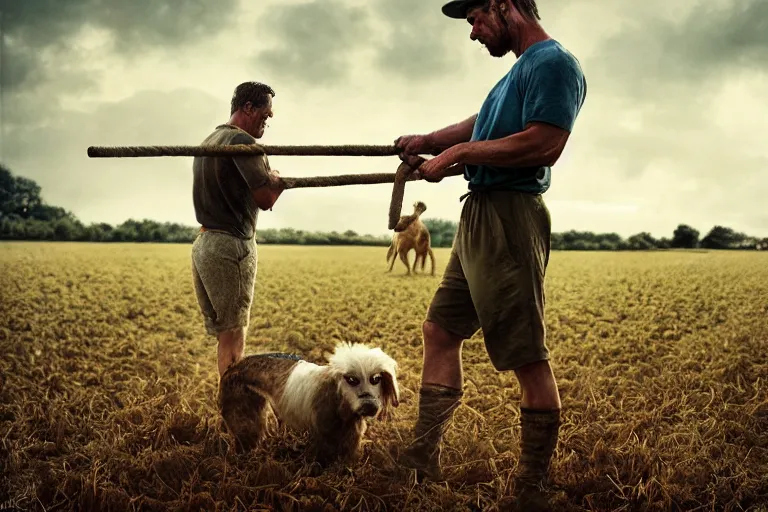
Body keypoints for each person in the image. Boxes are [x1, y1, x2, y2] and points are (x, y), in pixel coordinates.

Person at [394, 0, 587, 508]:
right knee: (440, 330)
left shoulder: (554, 63)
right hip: (479, 215)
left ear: (506, 5)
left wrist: (455, 156)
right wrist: (429, 140)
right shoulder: (518, 73)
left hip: (509, 216)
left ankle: (531, 488)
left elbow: (543, 143)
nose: (474, 32)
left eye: (477, 18)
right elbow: (483, 124)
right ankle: (421, 456)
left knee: (525, 354)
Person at [191, 81, 285, 378]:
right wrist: (278, 181)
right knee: (233, 337)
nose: (268, 119)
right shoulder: (244, 144)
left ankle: (227, 405)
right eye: (266, 113)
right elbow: (265, 198)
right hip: (231, 247)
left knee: (225, 334)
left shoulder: (211, 139)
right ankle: (234, 412)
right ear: (248, 107)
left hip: (205, 244)